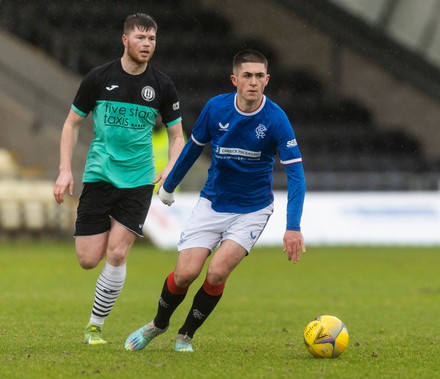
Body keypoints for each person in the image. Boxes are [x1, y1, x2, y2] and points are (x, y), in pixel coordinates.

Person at [125, 49, 306, 353]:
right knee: (185, 273)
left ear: (267, 80)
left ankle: (186, 335)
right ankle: (158, 325)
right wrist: (169, 185)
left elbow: (297, 175)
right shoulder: (216, 109)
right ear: (235, 79)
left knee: (218, 271)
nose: (253, 82)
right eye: (247, 76)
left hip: (252, 209)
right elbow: (193, 148)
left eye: (259, 76)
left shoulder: (276, 119)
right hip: (212, 203)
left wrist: (293, 226)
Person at [53, 13, 185, 345]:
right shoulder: (98, 78)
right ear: (125, 40)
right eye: (141, 38)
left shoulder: (162, 85)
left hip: (139, 180)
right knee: (87, 259)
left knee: (117, 252)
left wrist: (172, 166)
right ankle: (98, 311)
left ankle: (94, 327)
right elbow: (71, 124)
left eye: (152, 39)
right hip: (99, 174)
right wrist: (65, 170)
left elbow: (178, 136)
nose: (147, 44)